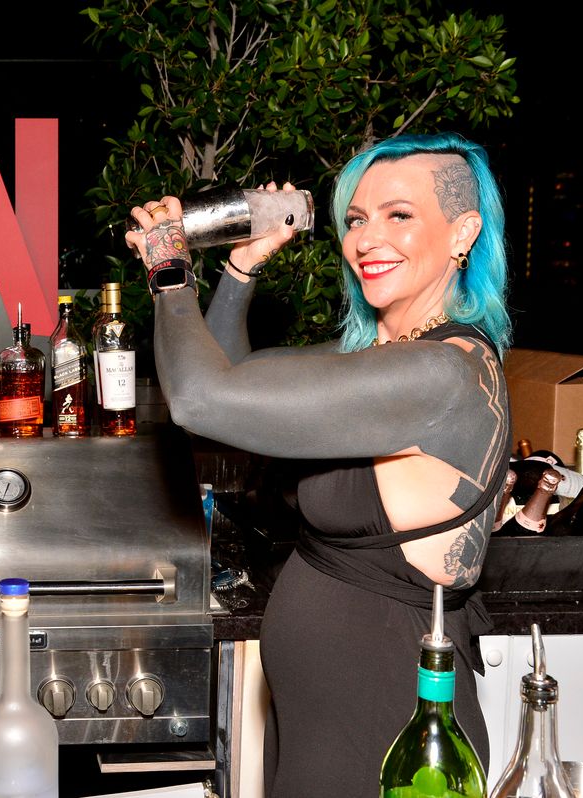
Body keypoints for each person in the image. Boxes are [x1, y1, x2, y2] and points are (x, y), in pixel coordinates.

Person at [127, 132, 510, 797]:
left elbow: (197, 398)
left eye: (399, 215)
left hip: (382, 727)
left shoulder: (438, 372)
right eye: (356, 219)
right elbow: (233, 382)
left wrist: (168, 264)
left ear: (462, 231)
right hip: (326, 721)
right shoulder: (386, 361)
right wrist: (242, 269)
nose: (366, 238)